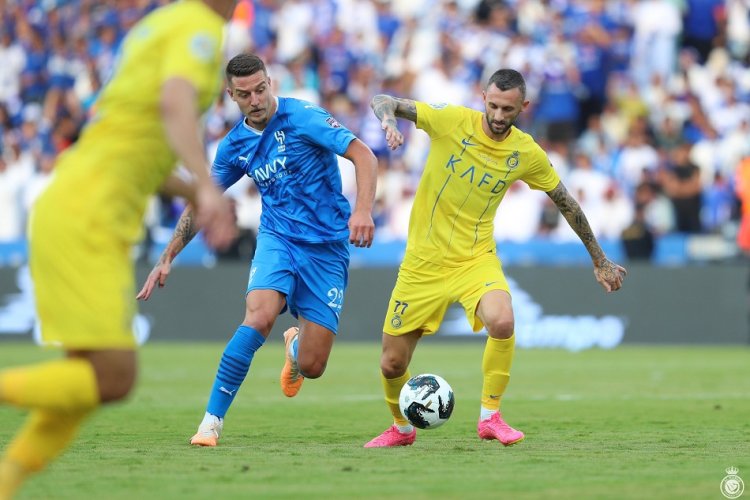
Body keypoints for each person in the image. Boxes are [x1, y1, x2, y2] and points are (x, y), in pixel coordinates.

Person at [0, 1, 237, 498]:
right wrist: (208, 187)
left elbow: (137, 148)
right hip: (88, 213)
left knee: (87, 383)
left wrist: (195, 192)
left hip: (85, 205)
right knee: (113, 376)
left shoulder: (165, 24)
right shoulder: (197, 27)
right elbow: (175, 102)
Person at [364, 69, 627, 448]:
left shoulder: (526, 151)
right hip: (423, 263)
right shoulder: (451, 119)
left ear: (524, 106)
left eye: (509, 108)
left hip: (476, 259)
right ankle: (402, 429)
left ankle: (490, 417)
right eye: (493, 106)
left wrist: (599, 258)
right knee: (392, 364)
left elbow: (565, 202)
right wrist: (389, 121)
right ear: (482, 96)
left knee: (503, 321)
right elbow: (383, 100)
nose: (500, 116)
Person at [136, 53, 378, 447]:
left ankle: (296, 347)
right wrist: (167, 257)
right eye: (245, 94)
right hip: (277, 240)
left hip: (327, 248)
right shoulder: (233, 147)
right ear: (231, 96)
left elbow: (363, 155)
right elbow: (204, 202)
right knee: (260, 315)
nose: (256, 99)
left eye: (261, 89)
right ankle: (210, 422)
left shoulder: (304, 117)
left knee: (313, 366)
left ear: (270, 84)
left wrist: (363, 209)